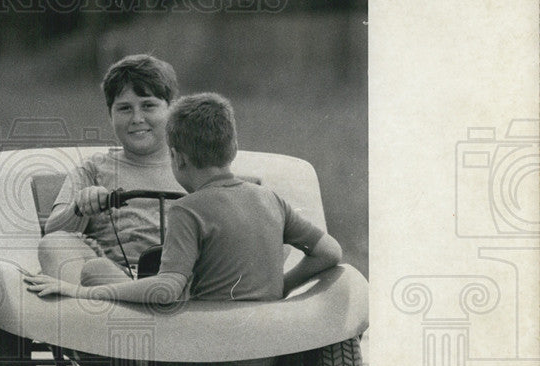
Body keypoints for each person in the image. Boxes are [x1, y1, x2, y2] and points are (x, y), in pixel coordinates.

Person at [25, 92, 342, 304]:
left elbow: (166, 289)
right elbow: (330, 251)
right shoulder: (270, 199)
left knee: (95, 271)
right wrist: (282, 286)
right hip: (263, 349)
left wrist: (77, 291)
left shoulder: (187, 209)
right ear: (232, 149)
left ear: (176, 158)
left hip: (207, 349)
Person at [38, 53, 185, 286]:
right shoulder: (94, 169)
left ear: (171, 110)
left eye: (148, 106)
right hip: (111, 281)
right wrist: (81, 206)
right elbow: (53, 231)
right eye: (125, 109)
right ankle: (90, 313)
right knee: (54, 244)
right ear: (110, 115)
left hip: (185, 277)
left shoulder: (194, 164)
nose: (137, 118)